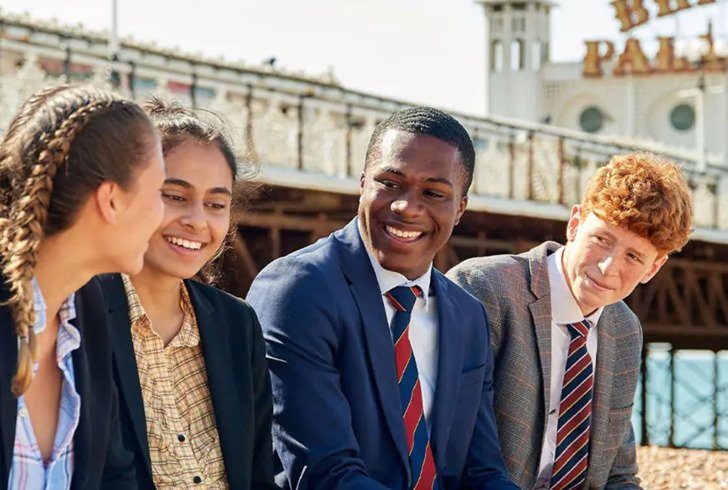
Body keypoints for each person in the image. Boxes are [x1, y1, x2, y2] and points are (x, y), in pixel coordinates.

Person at [247, 106, 518, 489]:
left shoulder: (467, 315)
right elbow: (325, 474)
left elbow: (483, 471)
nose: (406, 206)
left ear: (460, 208)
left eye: (433, 192)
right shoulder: (297, 289)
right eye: (390, 183)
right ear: (362, 183)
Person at [447, 153, 693, 489]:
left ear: (653, 268)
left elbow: (619, 474)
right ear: (575, 224)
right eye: (601, 239)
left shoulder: (624, 328)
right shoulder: (483, 287)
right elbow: (450, 445)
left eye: (633, 257)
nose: (608, 268)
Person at [97, 97, 275, 489]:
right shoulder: (79, 315)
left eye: (216, 204)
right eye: (175, 196)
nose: (197, 221)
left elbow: (259, 471)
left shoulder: (237, 325)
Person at [0, 84, 166, 488]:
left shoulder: (90, 308)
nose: (162, 214)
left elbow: (113, 474)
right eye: (161, 191)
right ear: (110, 200)